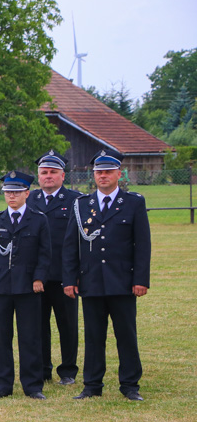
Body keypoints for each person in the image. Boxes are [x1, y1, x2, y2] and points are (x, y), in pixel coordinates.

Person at [63, 150, 151, 401]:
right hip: (90, 281)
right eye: (99, 172)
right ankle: (92, 385)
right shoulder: (81, 205)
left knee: (126, 334)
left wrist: (140, 279)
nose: (103, 176)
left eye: (108, 172)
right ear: (93, 176)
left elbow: (142, 245)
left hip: (122, 281)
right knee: (93, 336)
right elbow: (71, 245)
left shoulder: (133, 202)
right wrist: (69, 279)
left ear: (118, 174)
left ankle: (130, 385)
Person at [0, 171, 52, 400]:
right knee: (3, 337)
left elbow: (45, 253)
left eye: (17, 192)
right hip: (0, 287)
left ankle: (32, 386)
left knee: (30, 337)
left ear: (27, 193)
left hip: (28, 287)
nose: (11, 196)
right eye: (8, 192)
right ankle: (2, 385)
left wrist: (39, 277)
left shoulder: (39, 219)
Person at [27, 150, 81, 385]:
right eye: (43, 172)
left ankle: (68, 370)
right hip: (36, 276)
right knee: (38, 326)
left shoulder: (76, 201)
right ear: (38, 176)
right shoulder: (29, 200)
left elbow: (79, 241)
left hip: (64, 275)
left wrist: (76, 275)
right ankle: (42, 368)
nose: (48, 176)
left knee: (67, 325)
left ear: (62, 175)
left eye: (52, 172)